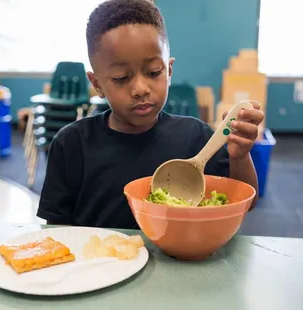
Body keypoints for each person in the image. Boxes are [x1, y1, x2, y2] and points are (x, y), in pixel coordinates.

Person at [37, 0, 264, 229]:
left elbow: (248, 201)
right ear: (97, 84)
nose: (140, 89)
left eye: (154, 72)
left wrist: (240, 157)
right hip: (97, 260)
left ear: (169, 71)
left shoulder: (197, 138)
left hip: (178, 261)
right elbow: (57, 230)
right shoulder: (71, 144)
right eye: (121, 77)